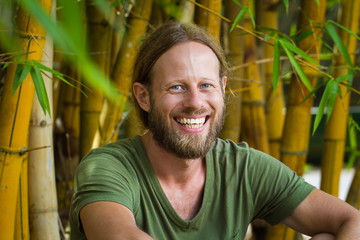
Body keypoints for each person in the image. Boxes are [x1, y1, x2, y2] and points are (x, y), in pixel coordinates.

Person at [70, 21, 360, 240]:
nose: (195, 103)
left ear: (222, 89)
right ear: (144, 97)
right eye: (176, 87)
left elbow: (351, 221)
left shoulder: (242, 167)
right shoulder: (107, 167)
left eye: (206, 86)